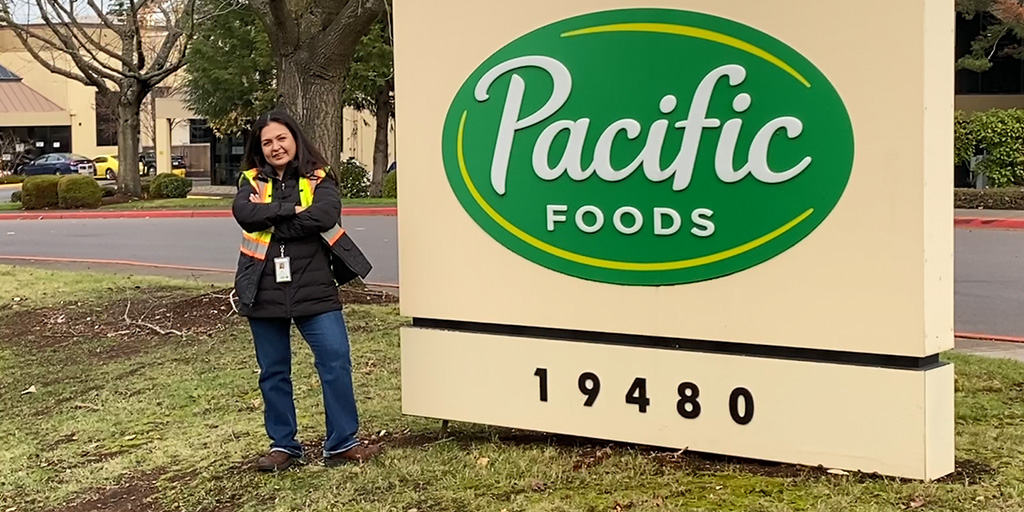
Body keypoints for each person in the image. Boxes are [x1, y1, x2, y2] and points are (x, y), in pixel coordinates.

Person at [231, 110, 379, 472]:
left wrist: (274, 217)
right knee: (273, 371)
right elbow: (244, 213)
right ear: (259, 148)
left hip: (314, 287)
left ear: (295, 138)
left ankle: (343, 443)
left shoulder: (319, 176)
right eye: (267, 142)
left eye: (281, 138)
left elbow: (324, 215)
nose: (275, 147)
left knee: (335, 362)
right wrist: (292, 210)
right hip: (262, 286)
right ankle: (284, 447)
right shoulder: (250, 179)